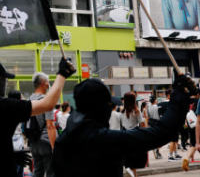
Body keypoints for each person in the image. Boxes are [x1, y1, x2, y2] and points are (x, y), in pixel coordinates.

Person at [53, 73, 196, 177]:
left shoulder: (64, 139)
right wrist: (179, 93)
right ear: (100, 108)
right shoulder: (99, 139)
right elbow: (161, 133)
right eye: (108, 106)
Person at [0, 57, 75, 177]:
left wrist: (10, 155)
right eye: (5, 79)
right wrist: (62, 74)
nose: (6, 84)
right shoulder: (4, 106)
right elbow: (48, 104)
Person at [29, 72, 58, 177]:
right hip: (46, 142)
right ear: (42, 83)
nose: (49, 84)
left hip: (33, 142)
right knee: (51, 172)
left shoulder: (29, 100)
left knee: (37, 172)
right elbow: (50, 125)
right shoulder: (46, 101)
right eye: (47, 82)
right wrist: (54, 146)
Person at [120, 91, 146, 176]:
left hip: (124, 135)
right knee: (133, 162)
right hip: (134, 135)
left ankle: (131, 172)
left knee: (128, 160)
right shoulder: (136, 111)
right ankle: (133, 174)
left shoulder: (121, 110)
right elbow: (142, 124)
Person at [159, 90, 182, 161]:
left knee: (174, 140)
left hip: (165, 124)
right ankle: (170, 156)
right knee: (173, 140)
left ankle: (175, 153)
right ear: (168, 95)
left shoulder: (161, 104)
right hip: (172, 124)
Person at [7, 90, 26, 177]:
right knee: (18, 168)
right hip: (17, 142)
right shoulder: (20, 110)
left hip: (9, 141)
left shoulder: (4, 108)